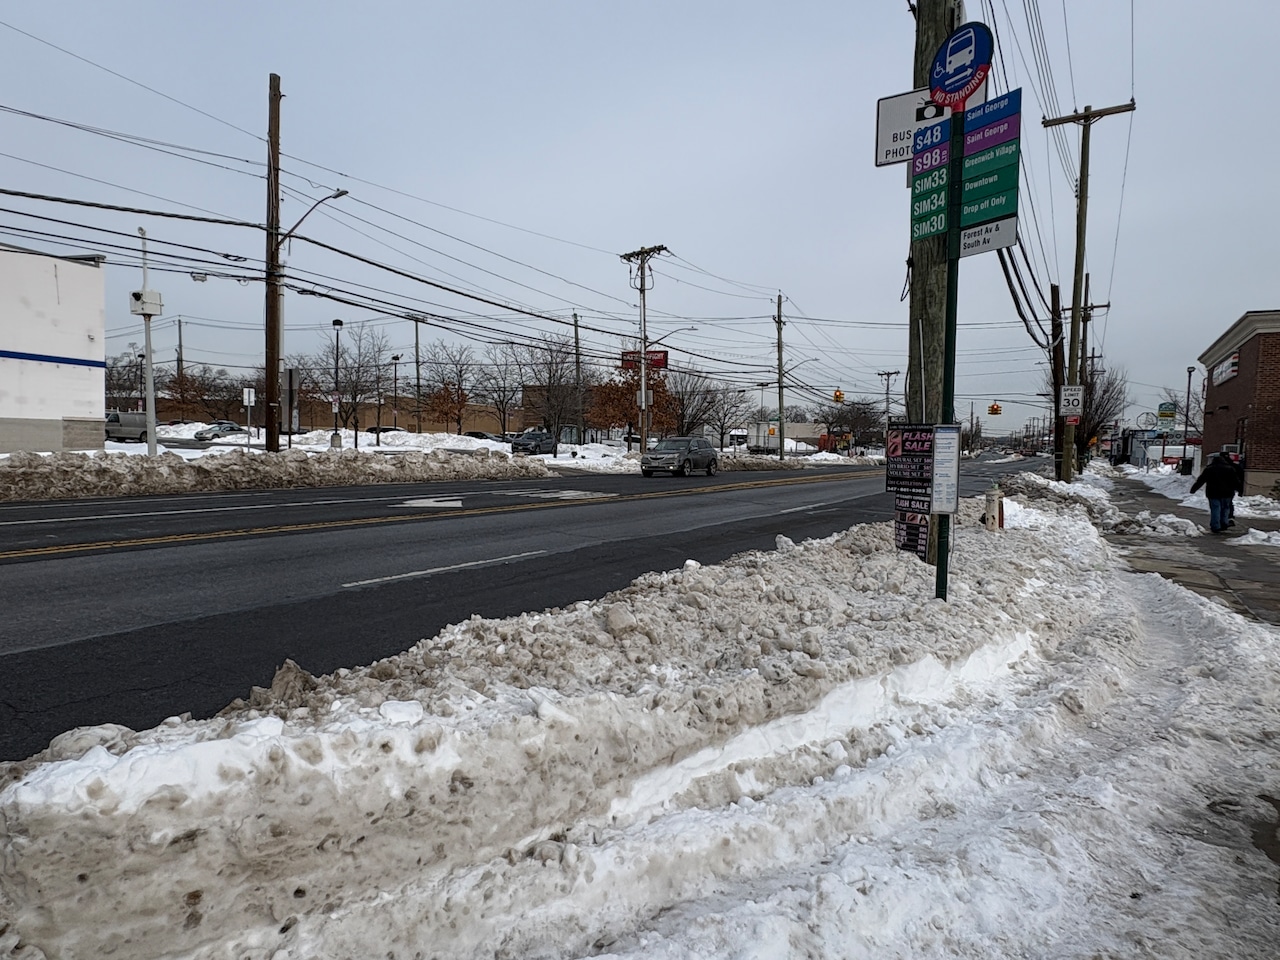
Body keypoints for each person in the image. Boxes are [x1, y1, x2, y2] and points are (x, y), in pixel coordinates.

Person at [1190, 452, 1242, 533]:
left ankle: (1215, 526)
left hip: (1213, 493)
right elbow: (1236, 481)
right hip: (1227, 493)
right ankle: (1224, 523)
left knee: (1215, 509)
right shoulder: (1230, 469)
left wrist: (1193, 489)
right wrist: (1240, 490)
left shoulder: (1209, 469)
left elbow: (1201, 480)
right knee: (1225, 508)